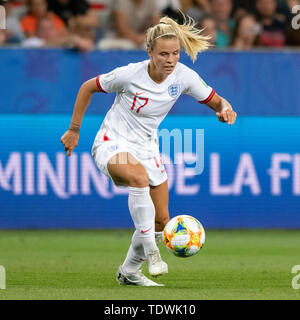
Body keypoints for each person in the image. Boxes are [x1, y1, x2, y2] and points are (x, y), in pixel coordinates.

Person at [60, 15, 237, 286]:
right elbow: (88, 87)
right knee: (138, 178)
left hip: (147, 148)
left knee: (161, 221)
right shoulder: (130, 74)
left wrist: (225, 109)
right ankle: (153, 253)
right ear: (149, 52)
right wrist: (74, 130)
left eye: (175, 53)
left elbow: (215, 101)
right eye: (163, 54)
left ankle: (129, 272)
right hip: (111, 142)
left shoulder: (184, 77)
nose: (170, 59)